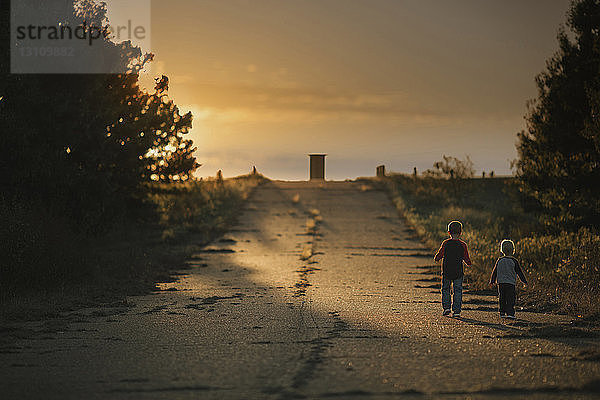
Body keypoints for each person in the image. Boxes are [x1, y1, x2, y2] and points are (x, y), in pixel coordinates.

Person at [434, 221, 472, 317]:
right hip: (458, 272)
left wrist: (437, 258)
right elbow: (466, 258)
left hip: (447, 271)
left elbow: (440, 254)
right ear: (460, 232)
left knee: (446, 289)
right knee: (458, 290)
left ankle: (447, 308)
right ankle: (457, 311)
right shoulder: (463, 245)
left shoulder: (446, 243)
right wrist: (469, 263)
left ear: (449, 232)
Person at [489, 239, 527, 319]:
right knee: (510, 298)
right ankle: (510, 313)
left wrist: (492, 281)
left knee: (502, 297)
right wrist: (524, 281)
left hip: (501, 283)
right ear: (513, 250)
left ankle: (502, 312)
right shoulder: (514, 261)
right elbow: (519, 272)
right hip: (510, 283)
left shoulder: (499, 260)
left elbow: (494, 272)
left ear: (502, 250)